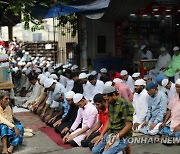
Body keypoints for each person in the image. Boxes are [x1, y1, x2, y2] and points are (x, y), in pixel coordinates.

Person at [92, 86, 134, 154]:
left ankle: (121, 150)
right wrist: (102, 134)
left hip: (123, 136)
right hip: (110, 133)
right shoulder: (110, 103)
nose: (106, 102)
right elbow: (109, 120)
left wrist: (115, 138)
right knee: (95, 150)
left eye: (108, 99)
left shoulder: (125, 104)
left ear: (114, 95)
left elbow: (128, 126)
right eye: (105, 100)